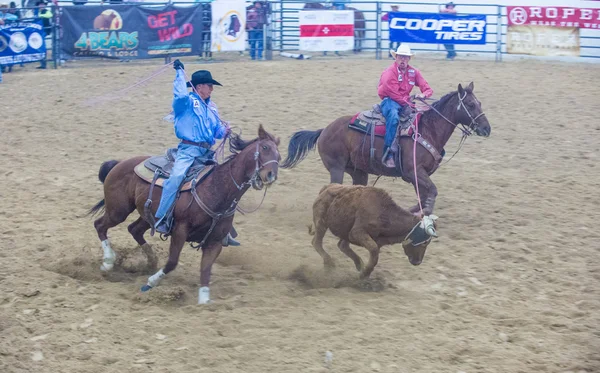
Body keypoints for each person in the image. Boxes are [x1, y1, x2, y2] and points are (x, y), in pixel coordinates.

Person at [154, 59, 240, 246]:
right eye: (209, 85)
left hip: (206, 153)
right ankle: (161, 218)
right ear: (199, 86)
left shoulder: (212, 107)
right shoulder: (185, 103)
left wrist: (224, 131)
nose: (212, 89)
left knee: (225, 183)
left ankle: (224, 229)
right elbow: (179, 94)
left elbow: (216, 132)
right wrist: (179, 72)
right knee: (175, 179)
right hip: (188, 151)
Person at [377, 44, 433, 168]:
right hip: (390, 101)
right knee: (393, 117)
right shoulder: (389, 72)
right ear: (396, 57)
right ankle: (388, 153)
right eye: (401, 57)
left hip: (405, 101)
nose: (403, 59)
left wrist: (424, 95)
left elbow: (427, 88)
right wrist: (410, 103)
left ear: (409, 59)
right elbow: (393, 93)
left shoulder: (414, 72)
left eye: (405, 57)